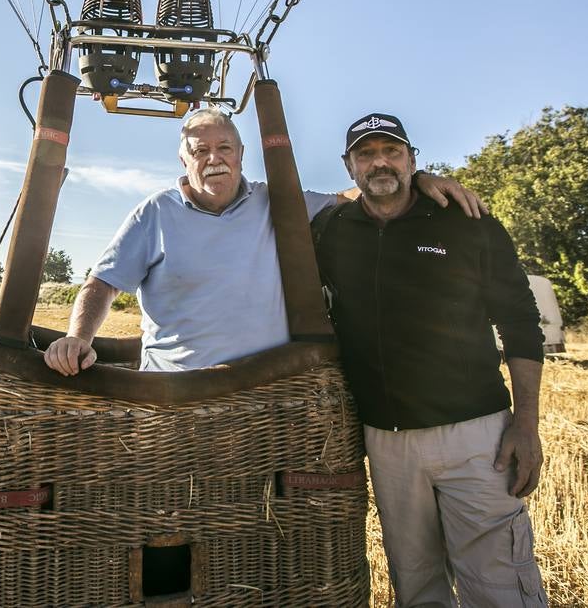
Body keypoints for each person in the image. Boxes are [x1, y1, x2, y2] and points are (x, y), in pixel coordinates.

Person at [43, 107, 483, 375]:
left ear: (240, 154)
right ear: (184, 160)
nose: (214, 158)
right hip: (173, 392)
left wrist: (416, 178)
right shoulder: (155, 212)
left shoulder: (278, 203)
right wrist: (79, 337)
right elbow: (103, 283)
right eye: (200, 151)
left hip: (260, 392)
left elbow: (351, 197)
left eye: (224, 148)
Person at [312, 112, 546, 607]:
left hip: (477, 435)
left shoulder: (467, 222)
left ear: (413, 159)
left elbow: (521, 321)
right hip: (387, 442)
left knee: (500, 585)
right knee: (416, 587)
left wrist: (526, 423)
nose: (380, 162)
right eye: (366, 154)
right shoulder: (332, 230)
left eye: (392, 152)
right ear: (349, 166)